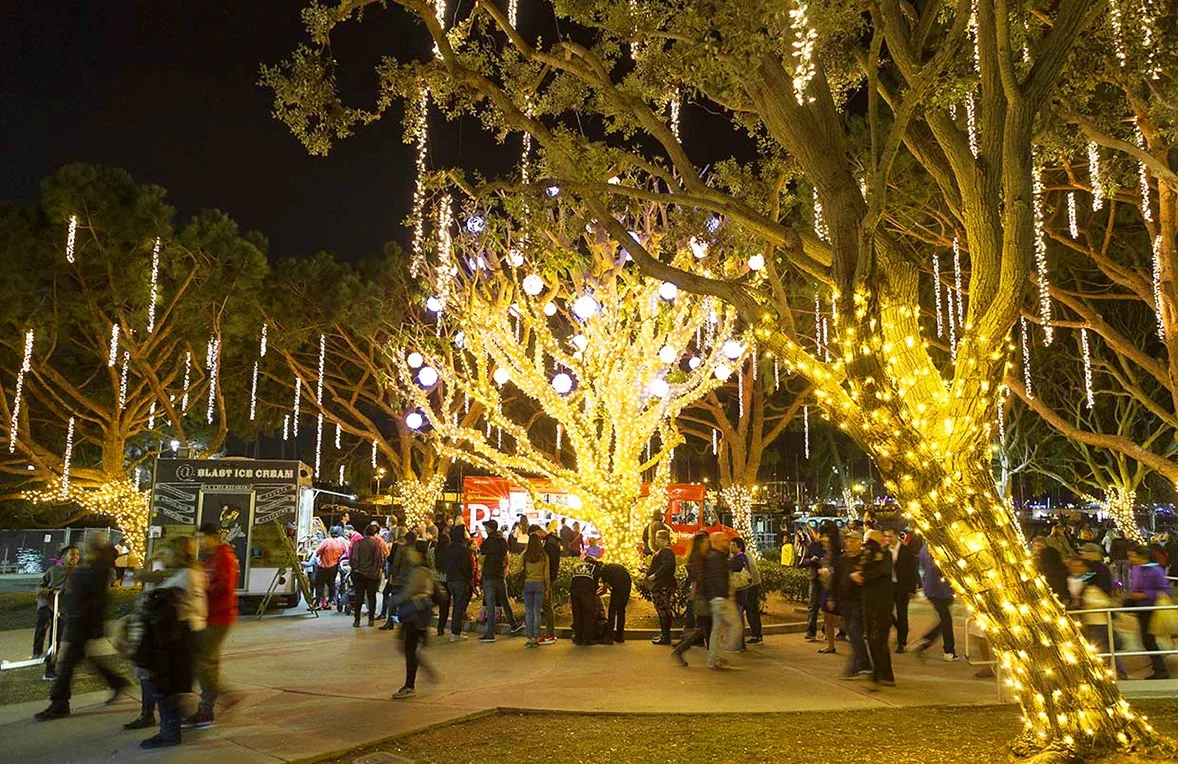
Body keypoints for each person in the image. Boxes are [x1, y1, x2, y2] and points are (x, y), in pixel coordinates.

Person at [35, 533, 130, 721]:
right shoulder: (92, 566)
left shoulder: (99, 567)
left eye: (87, 546)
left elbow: (94, 599)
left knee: (67, 664)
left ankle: (59, 703)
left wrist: (83, 618)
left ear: (95, 548)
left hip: (82, 622)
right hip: (80, 621)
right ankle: (117, 681)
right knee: (84, 660)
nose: (83, 551)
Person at [130, 536, 206, 748]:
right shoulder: (187, 572)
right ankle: (172, 722)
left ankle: (170, 732)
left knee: (167, 686)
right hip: (176, 636)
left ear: (178, 553)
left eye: (167, 553)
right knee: (165, 685)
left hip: (175, 637)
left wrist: (152, 560)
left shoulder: (185, 575)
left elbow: (157, 595)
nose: (163, 558)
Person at [183, 522, 238, 730]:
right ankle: (207, 710)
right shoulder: (211, 558)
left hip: (220, 617)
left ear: (213, 537)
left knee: (202, 662)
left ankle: (221, 699)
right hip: (210, 617)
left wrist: (204, 587)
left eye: (202, 538)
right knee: (209, 664)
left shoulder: (224, 557)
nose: (199, 542)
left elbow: (225, 586)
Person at [1066, 556, 1127, 680]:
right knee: (1103, 648)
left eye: (1079, 566)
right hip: (1092, 621)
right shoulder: (1077, 581)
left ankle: (1117, 672)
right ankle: (1115, 671)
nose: (1075, 568)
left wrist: (1085, 602)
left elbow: (1105, 602)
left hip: (1098, 622)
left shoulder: (1092, 586)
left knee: (1103, 648)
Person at [389, 542, 437, 698]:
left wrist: (393, 601)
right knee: (407, 647)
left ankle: (410, 685)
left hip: (415, 613)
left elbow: (410, 592)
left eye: (411, 551)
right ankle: (420, 672)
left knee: (409, 648)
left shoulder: (420, 572)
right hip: (417, 613)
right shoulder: (420, 570)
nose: (409, 554)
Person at [1125, 545, 1172, 679]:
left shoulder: (1155, 571)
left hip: (1151, 609)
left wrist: (1144, 595)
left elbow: (1164, 591)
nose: (1131, 559)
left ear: (1143, 557)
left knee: (1148, 639)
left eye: (1134, 556)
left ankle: (1160, 670)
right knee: (1146, 639)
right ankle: (1158, 668)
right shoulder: (1136, 570)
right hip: (1141, 608)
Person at [856, 529, 895, 687]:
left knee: (879, 639)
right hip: (868, 601)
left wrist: (863, 577)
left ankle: (882, 674)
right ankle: (881, 673)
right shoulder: (868, 555)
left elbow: (880, 572)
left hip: (882, 603)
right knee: (873, 639)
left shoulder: (884, 554)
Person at [833, 531, 870, 678]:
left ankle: (860, 664)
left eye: (852, 541)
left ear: (859, 542)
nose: (849, 544)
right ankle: (862, 664)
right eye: (847, 541)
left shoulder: (864, 560)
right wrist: (832, 598)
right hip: (845, 603)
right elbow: (836, 580)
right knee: (852, 634)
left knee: (855, 634)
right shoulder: (843, 560)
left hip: (858, 603)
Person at [671, 531, 711, 666]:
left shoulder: (700, 557)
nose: (708, 543)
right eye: (706, 541)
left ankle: (712, 654)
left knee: (704, 626)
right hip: (701, 596)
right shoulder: (698, 558)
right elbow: (700, 578)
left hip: (700, 595)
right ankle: (682, 648)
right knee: (703, 626)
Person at [33, 545, 80, 660]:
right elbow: (40, 585)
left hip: (62, 606)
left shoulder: (78, 572)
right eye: (72, 554)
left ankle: (53, 653)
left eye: (78, 555)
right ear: (64, 556)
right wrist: (43, 590)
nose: (76, 557)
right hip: (48, 602)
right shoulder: (54, 570)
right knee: (43, 624)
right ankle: (37, 652)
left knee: (58, 630)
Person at [478, 520, 522, 641]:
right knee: (504, 601)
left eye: (486, 527)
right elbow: (506, 558)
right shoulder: (502, 541)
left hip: (489, 576)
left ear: (489, 528)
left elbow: (482, 559)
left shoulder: (487, 542)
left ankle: (490, 633)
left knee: (490, 604)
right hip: (499, 575)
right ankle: (513, 625)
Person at [914, 541, 958, 661]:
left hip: (931, 588)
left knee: (944, 619)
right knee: (946, 620)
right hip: (942, 590)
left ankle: (928, 640)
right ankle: (948, 651)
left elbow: (922, 566)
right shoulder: (943, 548)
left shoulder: (925, 548)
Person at [703, 532, 739, 669]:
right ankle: (722, 654)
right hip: (721, 598)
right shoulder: (717, 558)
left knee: (717, 630)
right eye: (724, 540)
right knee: (735, 626)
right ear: (717, 541)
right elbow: (719, 579)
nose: (727, 542)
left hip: (716, 598)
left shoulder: (713, 557)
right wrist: (725, 595)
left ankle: (714, 659)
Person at [883, 528, 918, 653]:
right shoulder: (885, 550)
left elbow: (912, 570)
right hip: (888, 586)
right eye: (886, 536)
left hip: (902, 586)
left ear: (897, 536)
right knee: (886, 611)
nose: (888, 539)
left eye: (890, 536)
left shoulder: (905, 551)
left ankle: (902, 642)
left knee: (902, 613)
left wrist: (912, 588)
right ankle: (899, 628)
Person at [586, 556, 632, 642]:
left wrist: (594, 595)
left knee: (612, 611)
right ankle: (620, 636)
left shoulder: (604, 573)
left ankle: (609, 636)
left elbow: (604, 590)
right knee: (621, 611)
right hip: (627, 584)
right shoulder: (611, 567)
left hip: (618, 587)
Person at [350, 523, 388, 628]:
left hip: (359, 574)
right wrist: (376, 571)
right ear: (375, 533)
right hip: (372, 575)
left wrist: (355, 569)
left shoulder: (357, 543)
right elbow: (380, 559)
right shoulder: (377, 544)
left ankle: (357, 620)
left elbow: (353, 558)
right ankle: (371, 619)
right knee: (372, 597)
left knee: (359, 596)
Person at [646, 529, 677, 645]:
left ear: (665, 539)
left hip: (662, 585)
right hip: (661, 584)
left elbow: (667, 566)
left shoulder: (666, 552)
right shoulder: (664, 552)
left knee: (663, 609)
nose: (656, 540)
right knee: (663, 610)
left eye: (658, 537)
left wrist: (655, 575)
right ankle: (664, 634)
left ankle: (665, 636)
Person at [444, 525, 474, 641]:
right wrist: (469, 577)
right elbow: (466, 566)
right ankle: (455, 633)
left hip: (451, 579)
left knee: (457, 605)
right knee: (459, 606)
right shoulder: (462, 549)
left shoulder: (449, 547)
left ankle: (455, 631)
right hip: (460, 580)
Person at [534, 523, 562, 645]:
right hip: (550, 577)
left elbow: (549, 564)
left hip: (548, 577)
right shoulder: (552, 541)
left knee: (547, 605)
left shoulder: (549, 543)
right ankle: (549, 632)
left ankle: (550, 633)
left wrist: (547, 580)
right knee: (546, 605)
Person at [521, 533, 550, 648]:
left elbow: (518, 569)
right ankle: (536, 638)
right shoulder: (544, 556)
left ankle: (529, 637)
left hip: (528, 584)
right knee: (537, 611)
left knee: (528, 612)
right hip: (540, 584)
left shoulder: (525, 555)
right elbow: (546, 574)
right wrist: (547, 588)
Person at [800, 526, 826, 642]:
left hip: (826, 579)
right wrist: (811, 560)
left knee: (826, 607)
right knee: (813, 605)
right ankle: (811, 631)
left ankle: (827, 631)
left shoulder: (830, 547)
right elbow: (803, 561)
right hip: (814, 578)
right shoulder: (812, 546)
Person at [313, 527, 348, 610]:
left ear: (329, 533)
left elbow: (318, 552)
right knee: (331, 584)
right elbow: (344, 552)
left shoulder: (326, 541)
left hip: (323, 567)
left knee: (319, 585)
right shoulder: (340, 543)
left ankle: (318, 603)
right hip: (334, 567)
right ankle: (329, 603)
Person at [729, 537, 752, 650]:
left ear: (739, 546)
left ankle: (738, 645)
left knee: (737, 619)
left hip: (738, 592)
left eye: (733, 545)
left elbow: (732, 569)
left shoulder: (738, 558)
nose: (730, 547)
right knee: (739, 618)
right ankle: (740, 644)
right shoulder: (743, 557)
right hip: (742, 591)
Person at [430, 531, 451, 636]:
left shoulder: (431, 552)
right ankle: (440, 628)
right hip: (446, 581)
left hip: (433, 581)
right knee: (444, 607)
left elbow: (427, 564)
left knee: (431, 602)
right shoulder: (449, 553)